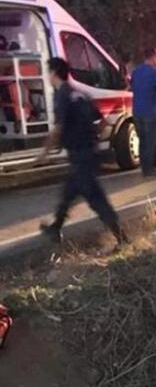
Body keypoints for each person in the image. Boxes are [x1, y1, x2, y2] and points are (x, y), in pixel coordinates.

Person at [36, 58, 127, 249]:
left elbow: (58, 128)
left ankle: (122, 238)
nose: (48, 76)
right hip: (87, 153)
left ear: (54, 73)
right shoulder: (81, 94)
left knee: (95, 198)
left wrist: (44, 153)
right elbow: (103, 122)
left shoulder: (62, 95)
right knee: (69, 192)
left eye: (48, 72)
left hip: (80, 155)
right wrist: (92, 138)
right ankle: (55, 227)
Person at [130, 48, 156, 176]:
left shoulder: (136, 71)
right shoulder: (155, 72)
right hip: (150, 111)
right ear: (154, 57)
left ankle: (144, 167)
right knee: (150, 141)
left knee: (142, 140)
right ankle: (149, 170)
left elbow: (131, 87)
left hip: (137, 110)